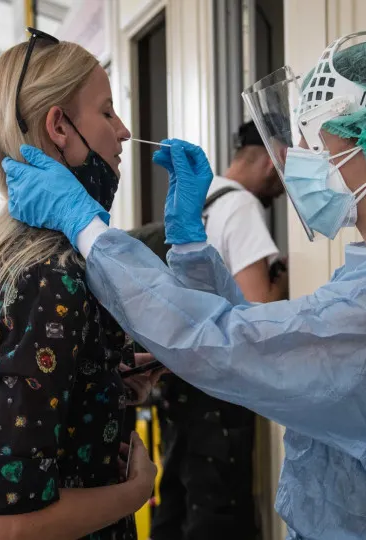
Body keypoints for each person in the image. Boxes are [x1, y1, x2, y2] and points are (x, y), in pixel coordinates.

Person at [2, 30, 366, 539]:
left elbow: (228, 345)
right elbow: (263, 342)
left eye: (312, 139)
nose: (296, 157)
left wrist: (87, 227)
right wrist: (189, 245)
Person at [0, 28, 159, 540]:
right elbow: (7, 526)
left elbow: (9, 396)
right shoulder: (51, 274)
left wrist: (108, 385)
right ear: (59, 125)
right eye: (107, 112)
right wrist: (137, 488)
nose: (123, 131)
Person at [149, 120, 288, 540]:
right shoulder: (242, 205)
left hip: (178, 374)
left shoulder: (202, 198)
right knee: (216, 514)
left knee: (175, 498)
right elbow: (255, 307)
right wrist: (281, 282)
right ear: (271, 160)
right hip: (219, 388)